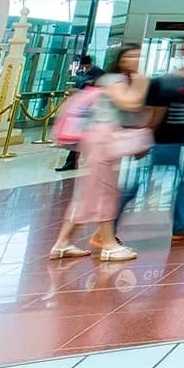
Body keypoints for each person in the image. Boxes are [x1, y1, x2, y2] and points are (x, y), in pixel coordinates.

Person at [49, 44, 148, 263]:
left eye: (139, 56)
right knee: (105, 192)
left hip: (99, 138)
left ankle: (62, 243)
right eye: (131, 56)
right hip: (102, 139)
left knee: (87, 193)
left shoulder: (113, 80)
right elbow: (129, 104)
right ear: (120, 60)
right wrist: (142, 84)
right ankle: (109, 245)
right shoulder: (115, 80)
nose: (136, 60)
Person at [117, 65, 184, 242]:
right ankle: (106, 227)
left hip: (171, 142)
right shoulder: (166, 84)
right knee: (140, 186)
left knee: (176, 183)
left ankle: (183, 226)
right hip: (164, 143)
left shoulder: (183, 83)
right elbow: (157, 114)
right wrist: (146, 141)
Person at [56, 54, 105, 172]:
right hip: (84, 109)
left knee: (84, 136)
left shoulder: (98, 73)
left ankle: (81, 161)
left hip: (91, 109)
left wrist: (78, 91)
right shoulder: (86, 72)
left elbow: (97, 89)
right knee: (78, 136)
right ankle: (72, 162)